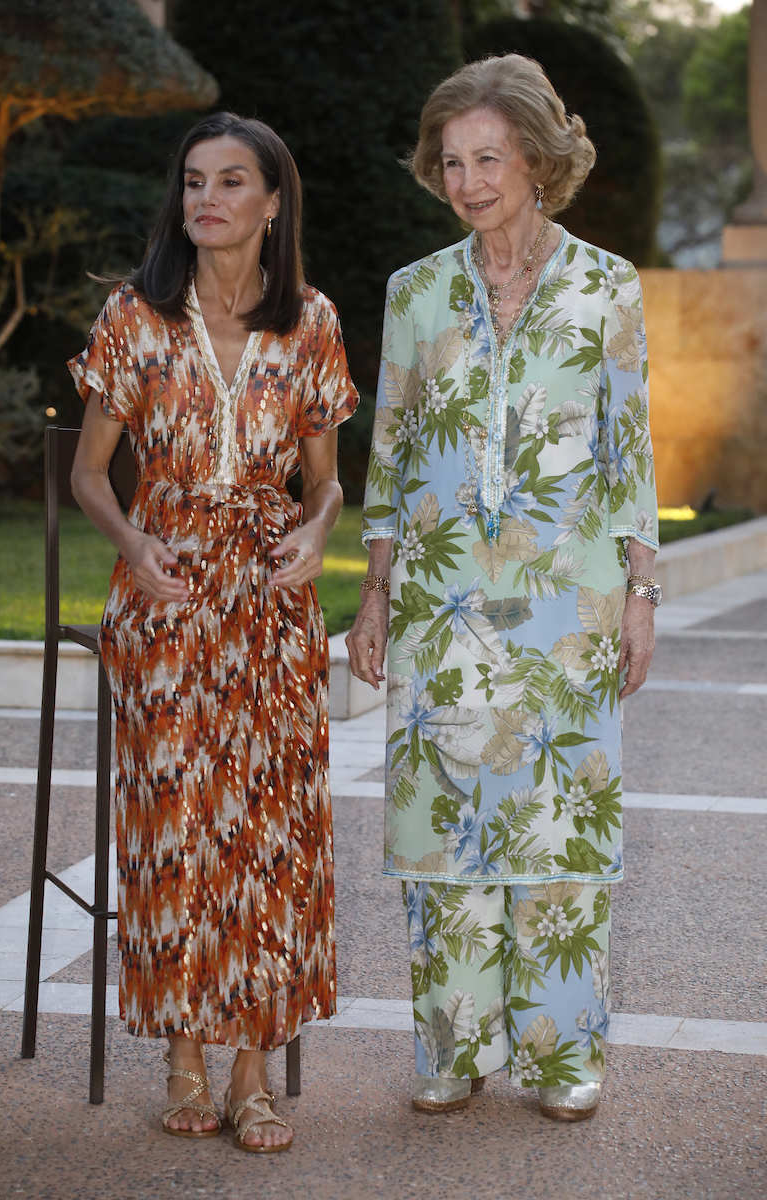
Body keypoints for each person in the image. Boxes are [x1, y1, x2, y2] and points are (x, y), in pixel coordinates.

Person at [346, 54, 659, 1122]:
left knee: (559, 833)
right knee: (442, 829)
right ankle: (453, 1046)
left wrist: (640, 591)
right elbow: (387, 453)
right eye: (451, 162)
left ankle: (559, 1056)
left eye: (488, 158)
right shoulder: (413, 292)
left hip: (568, 608)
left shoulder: (605, 285)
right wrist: (374, 593)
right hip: (439, 605)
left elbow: (629, 452)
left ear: (533, 158)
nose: (468, 180)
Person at [69, 112, 358, 1151]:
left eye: (233, 182)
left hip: (271, 605)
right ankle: (182, 1054)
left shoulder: (311, 322)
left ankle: (252, 1073)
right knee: (175, 828)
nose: (207, 198)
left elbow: (324, 490)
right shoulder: (134, 317)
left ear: (273, 204)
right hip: (168, 591)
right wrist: (135, 549)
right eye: (194, 181)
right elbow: (89, 475)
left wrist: (315, 536)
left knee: (270, 834)